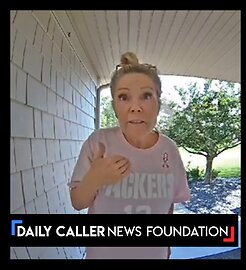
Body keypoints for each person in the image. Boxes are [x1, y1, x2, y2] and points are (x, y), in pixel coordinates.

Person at [69, 52, 191, 259]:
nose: (136, 107)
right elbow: (78, 202)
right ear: (115, 106)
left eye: (146, 95)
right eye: (124, 97)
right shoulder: (99, 142)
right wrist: (95, 177)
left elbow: (170, 205)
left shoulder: (169, 149)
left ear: (158, 104)